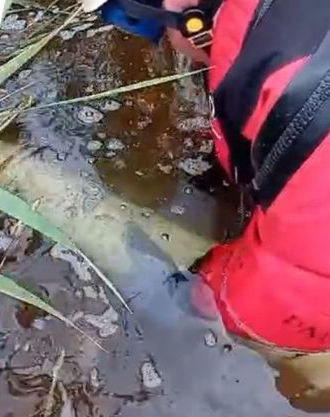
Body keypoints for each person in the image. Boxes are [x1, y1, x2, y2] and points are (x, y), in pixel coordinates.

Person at [99, 0, 330, 407]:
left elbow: (264, 308)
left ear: (188, 14)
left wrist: (195, 294)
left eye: (141, 23)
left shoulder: (306, 105)